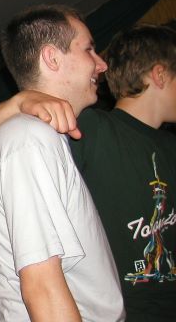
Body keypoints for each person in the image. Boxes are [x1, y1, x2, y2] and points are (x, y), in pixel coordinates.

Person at [0, 5, 124, 321]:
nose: (102, 63)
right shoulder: (28, 138)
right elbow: (42, 287)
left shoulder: (39, 135)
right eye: (89, 49)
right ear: (52, 58)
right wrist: (19, 103)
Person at [68, 24, 176, 320]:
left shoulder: (170, 145)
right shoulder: (93, 128)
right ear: (160, 74)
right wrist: (25, 102)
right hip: (120, 311)